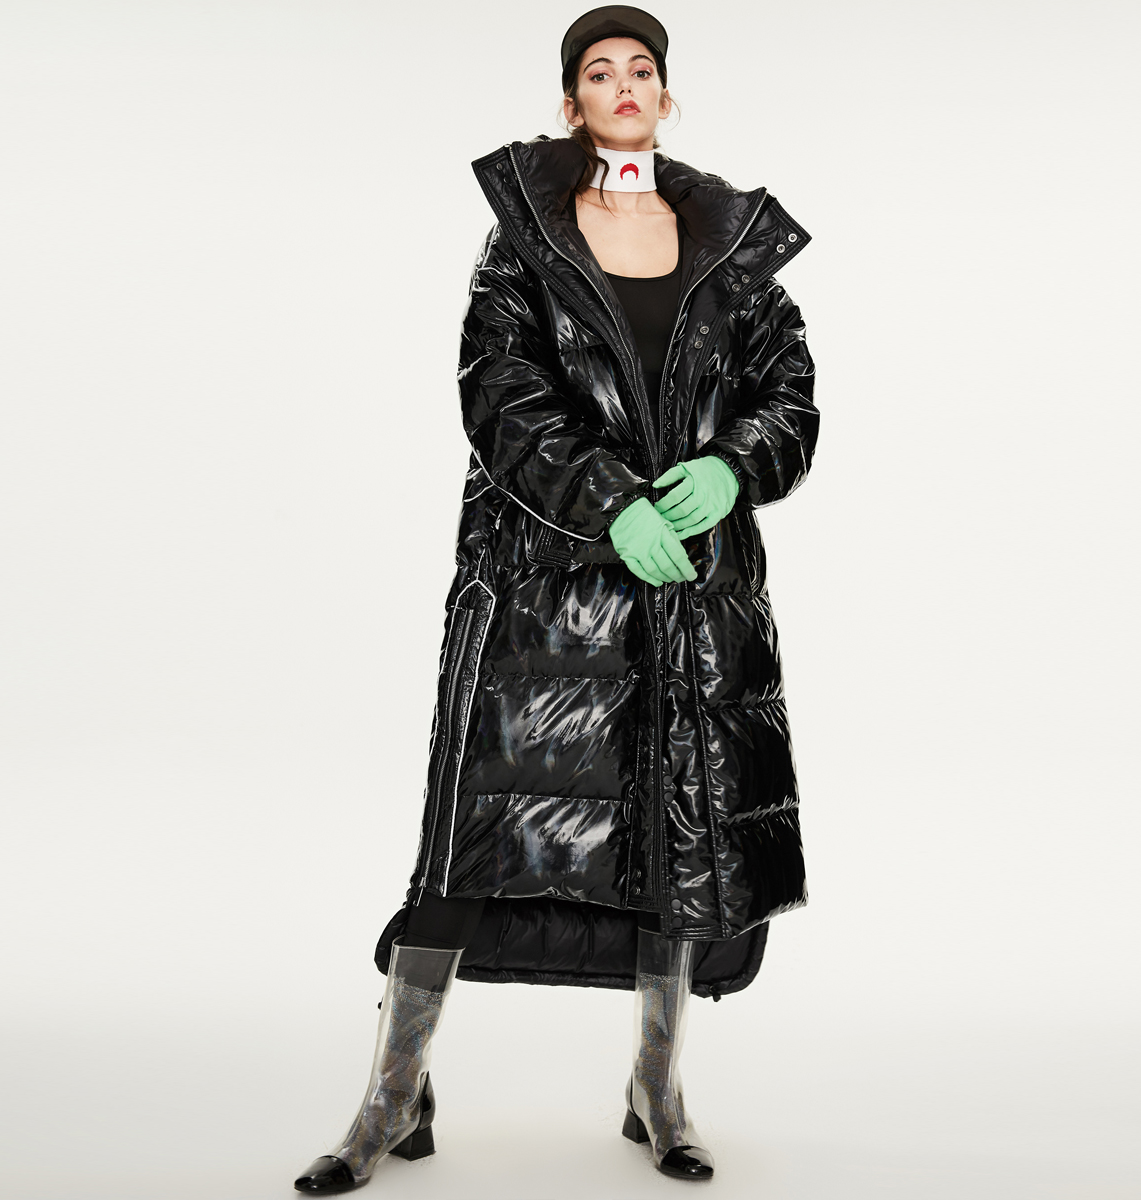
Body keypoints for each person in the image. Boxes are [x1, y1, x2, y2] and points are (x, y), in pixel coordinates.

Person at [294, 4, 819, 1192]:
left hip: (688, 593)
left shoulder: (732, 248)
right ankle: (390, 1099)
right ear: (572, 102)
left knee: (674, 835)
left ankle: (658, 1090)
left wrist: (734, 467)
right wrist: (607, 502)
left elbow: (788, 396)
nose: (623, 83)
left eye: (642, 69)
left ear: (666, 97)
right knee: (466, 845)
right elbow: (501, 396)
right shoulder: (524, 241)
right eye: (598, 70)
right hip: (542, 593)